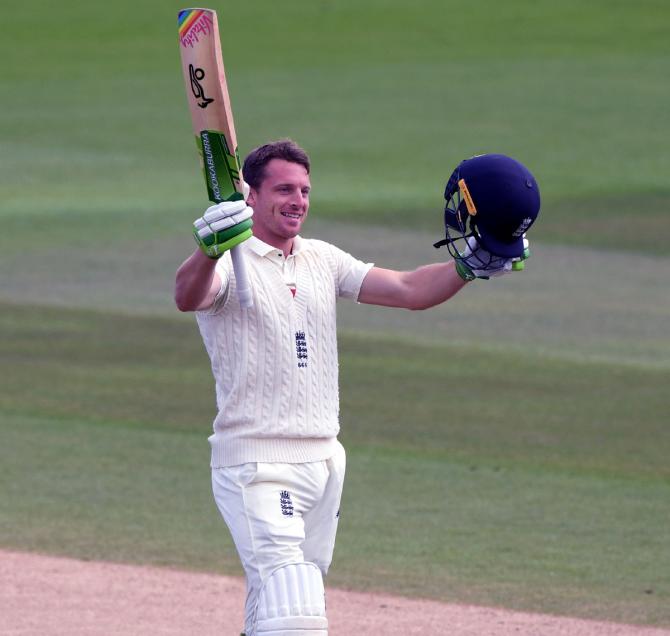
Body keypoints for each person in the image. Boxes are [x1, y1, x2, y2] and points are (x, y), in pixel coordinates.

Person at [174, 140, 539, 636]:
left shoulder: (321, 259)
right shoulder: (230, 264)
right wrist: (206, 250)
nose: (298, 200)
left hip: (325, 461)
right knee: (295, 611)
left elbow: (410, 291)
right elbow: (187, 296)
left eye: (304, 190)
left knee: (278, 602)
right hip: (257, 465)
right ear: (250, 196)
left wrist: (465, 268)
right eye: (283, 189)